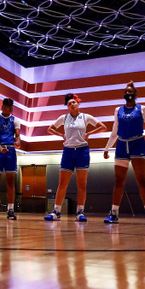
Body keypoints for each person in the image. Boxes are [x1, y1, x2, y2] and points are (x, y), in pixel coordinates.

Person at [103, 81, 145, 225]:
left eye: (130, 92)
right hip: (121, 145)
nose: (128, 94)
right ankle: (114, 213)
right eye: (126, 92)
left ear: (135, 94)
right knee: (118, 181)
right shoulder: (118, 110)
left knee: (141, 181)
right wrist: (107, 148)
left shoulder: (142, 109)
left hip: (137, 144)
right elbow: (115, 131)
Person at [44, 93, 107, 222]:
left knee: (82, 185)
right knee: (62, 184)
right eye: (69, 103)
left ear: (78, 104)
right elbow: (50, 129)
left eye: (74, 102)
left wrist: (89, 133)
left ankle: (80, 212)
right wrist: (61, 135)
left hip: (82, 151)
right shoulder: (64, 118)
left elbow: (103, 127)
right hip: (68, 151)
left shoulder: (86, 117)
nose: (72, 104)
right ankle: (56, 211)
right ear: (67, 107)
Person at [0, 98, 21, 221]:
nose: (7, 111)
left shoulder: (15, 120)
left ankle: (10, 210)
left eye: (10, 109)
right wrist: (0, 147)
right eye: (5, 108)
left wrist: (17, 142)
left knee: (10, 182)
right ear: (2, 107)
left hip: (11, 151)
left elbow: (18, 136)